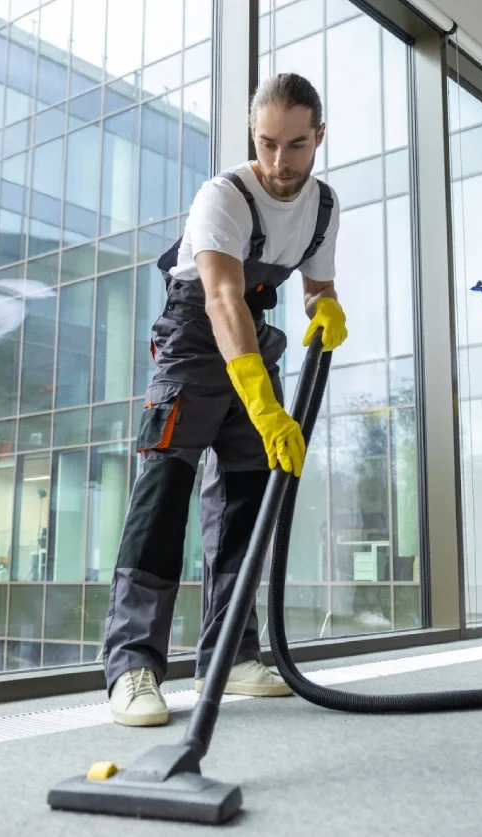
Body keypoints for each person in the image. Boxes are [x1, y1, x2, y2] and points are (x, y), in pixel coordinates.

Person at [103, 73, 347, 726]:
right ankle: (131, 665)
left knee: (246, 497)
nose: (277, 163)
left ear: (318, 137)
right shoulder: (224, 196)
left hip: (255, 338)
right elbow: (218, 298)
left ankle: (232, 654)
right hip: (193, 336)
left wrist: (326, 310)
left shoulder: (324, 206)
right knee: (164, 490)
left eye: (295, 145)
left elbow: (314, 288)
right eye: (265, 143)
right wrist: (267, 408)